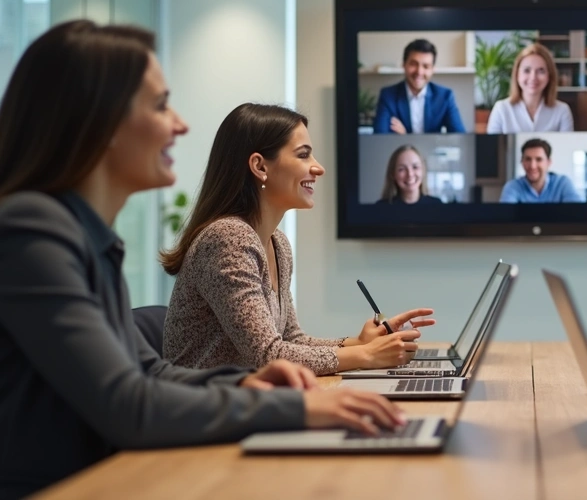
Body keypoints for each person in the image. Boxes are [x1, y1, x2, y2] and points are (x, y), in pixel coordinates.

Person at [0, 22, 404, 499]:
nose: (181, 124)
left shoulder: (83, 238)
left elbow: (148, 372)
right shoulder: (26, 236)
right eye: (159, 105)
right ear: (100, 123)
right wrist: (291, 409)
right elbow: (126, 406)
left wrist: (250, 383)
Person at [162, 104, 435, 376]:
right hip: (207, 413)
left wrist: (360, 343)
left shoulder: (277, 243)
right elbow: (268, 356)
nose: (318, 168)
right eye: (304, 155)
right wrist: (366, 355)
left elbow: (291, 340)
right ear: (259, 166)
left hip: (245, 405)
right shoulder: (228, 238)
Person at [373, 38, 466, 134]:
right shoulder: (388, 95)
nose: (419, 72)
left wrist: (406, 136)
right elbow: (379, 135)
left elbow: (459, 136)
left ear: (433, 69)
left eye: (426, 66)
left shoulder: (445, 96)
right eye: (413, 64)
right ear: (404, 65)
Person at [486, 43, 574, 133]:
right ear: (517, 75)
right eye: (527, 70)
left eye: (541, 71)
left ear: (549, 76)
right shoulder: (501, 109)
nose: (533, 77)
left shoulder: (562, 111)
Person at [499, 138, 583, 203]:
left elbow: (579, 214)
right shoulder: (512, 187)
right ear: (522, 161)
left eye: (539, 159)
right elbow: (505, 218)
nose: (532, 166)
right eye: (528, 159)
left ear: (548, 162)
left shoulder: (562, 183)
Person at [376, 144, 443, 204]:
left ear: (423, 171)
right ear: (393, 174)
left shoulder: (437, 205)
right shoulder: (381, 208)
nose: (410, 174)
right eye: (402, 169)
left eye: (415, 167)